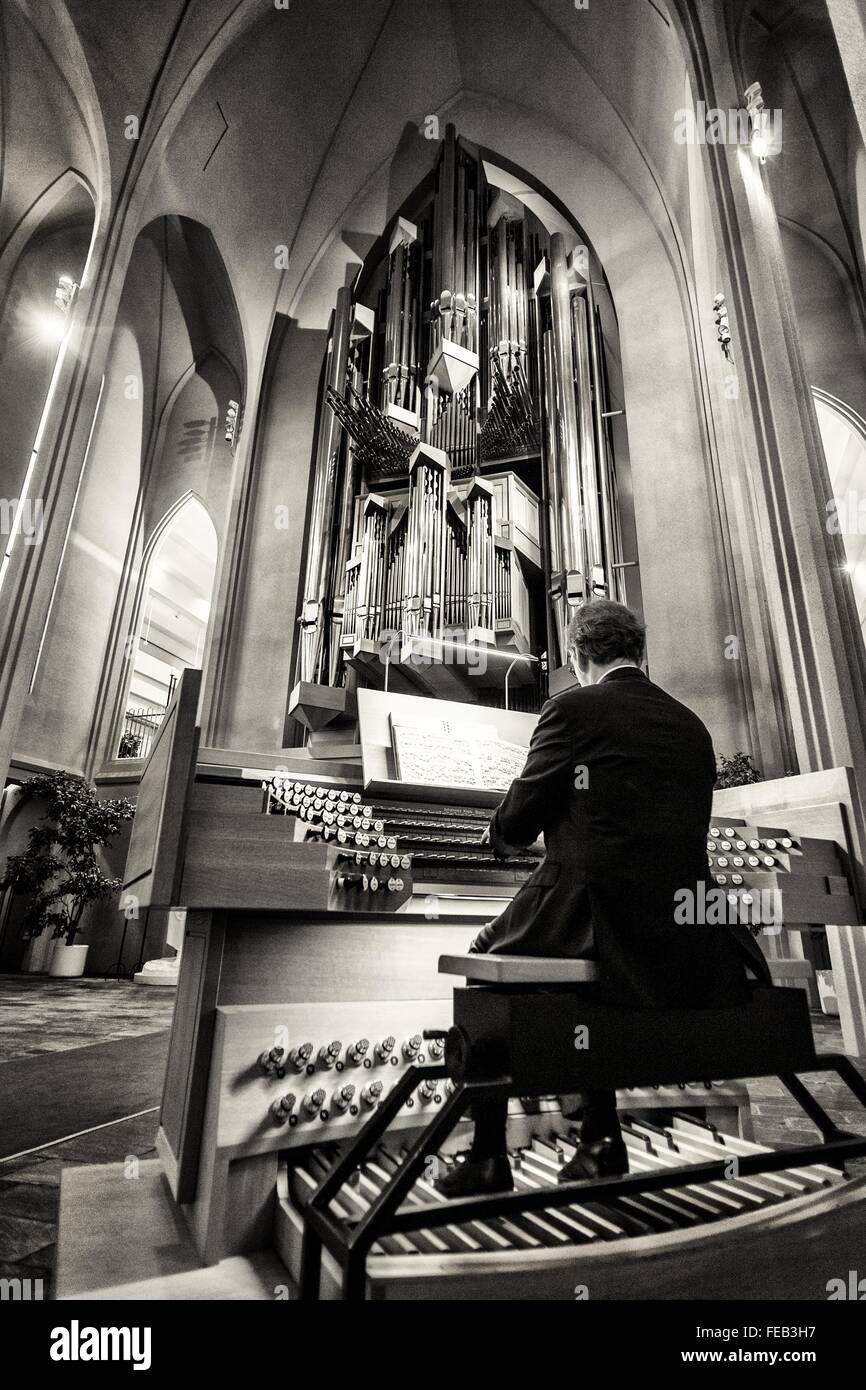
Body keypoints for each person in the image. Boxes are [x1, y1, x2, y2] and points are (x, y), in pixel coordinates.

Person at [436, 599, 771, 1198]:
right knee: (587, 977)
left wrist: (503, 835)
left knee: (483, 961)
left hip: (597, 906)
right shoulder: (692, 725)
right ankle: (597, 1135)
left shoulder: (572, 709)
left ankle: (489, 1157)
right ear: (638, 652)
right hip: (688, 922)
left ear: (577, 656)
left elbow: (518, 817)